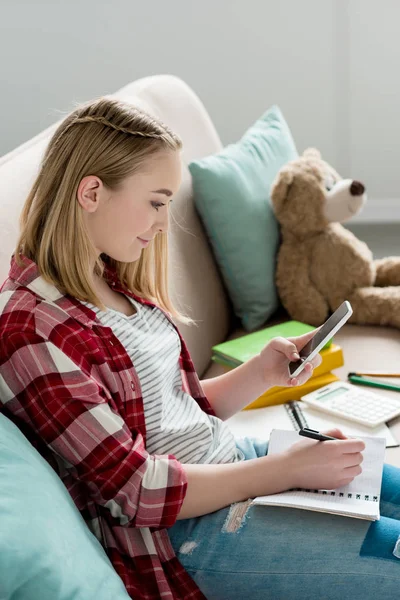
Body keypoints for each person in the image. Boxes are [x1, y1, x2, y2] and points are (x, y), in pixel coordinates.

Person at [0, 96, 399, 600]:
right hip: (193, 532)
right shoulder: (31, 330)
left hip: (233, 460)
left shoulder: (105, 276)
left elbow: (170, 416)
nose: (165, 223)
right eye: (156, 201)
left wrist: (260, 372)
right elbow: (138, 489)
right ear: (92, 192)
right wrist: (288, 470)